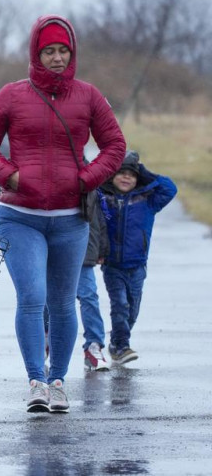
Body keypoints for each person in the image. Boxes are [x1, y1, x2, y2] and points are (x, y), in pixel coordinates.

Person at [0, 15, 126, 413]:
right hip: (19, 216)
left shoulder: (89, 96)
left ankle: (58, 381)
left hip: (70, 219)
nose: (57, 58)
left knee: (61, 303)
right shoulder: (11, 95)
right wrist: (9, 175)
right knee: (32, 297)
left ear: (72, 54)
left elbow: (115, 145)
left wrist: (86, 179)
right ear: (36, 54)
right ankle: (35, 382)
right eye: (49, 51)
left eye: (63, 51)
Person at [98, 151, 177, 364]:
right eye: (121, 173)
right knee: (120, 305)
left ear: (138, 178)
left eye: (131, 175)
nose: (126, 178)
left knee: (132, 309)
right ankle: (121, 346)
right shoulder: (104, 198)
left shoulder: (147, 200)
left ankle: (117, 342)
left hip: (137, 266)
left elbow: (170, 188)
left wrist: (143, 171)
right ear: (112, 176)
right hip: (113, 266)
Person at [44, 187, 111, 371]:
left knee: (89, 296)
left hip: (83, 253)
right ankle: (45, 338)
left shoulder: (90, 179)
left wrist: (102, 249)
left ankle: (94, 345)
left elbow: (100, 220)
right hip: (52, 249)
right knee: (48, 298)